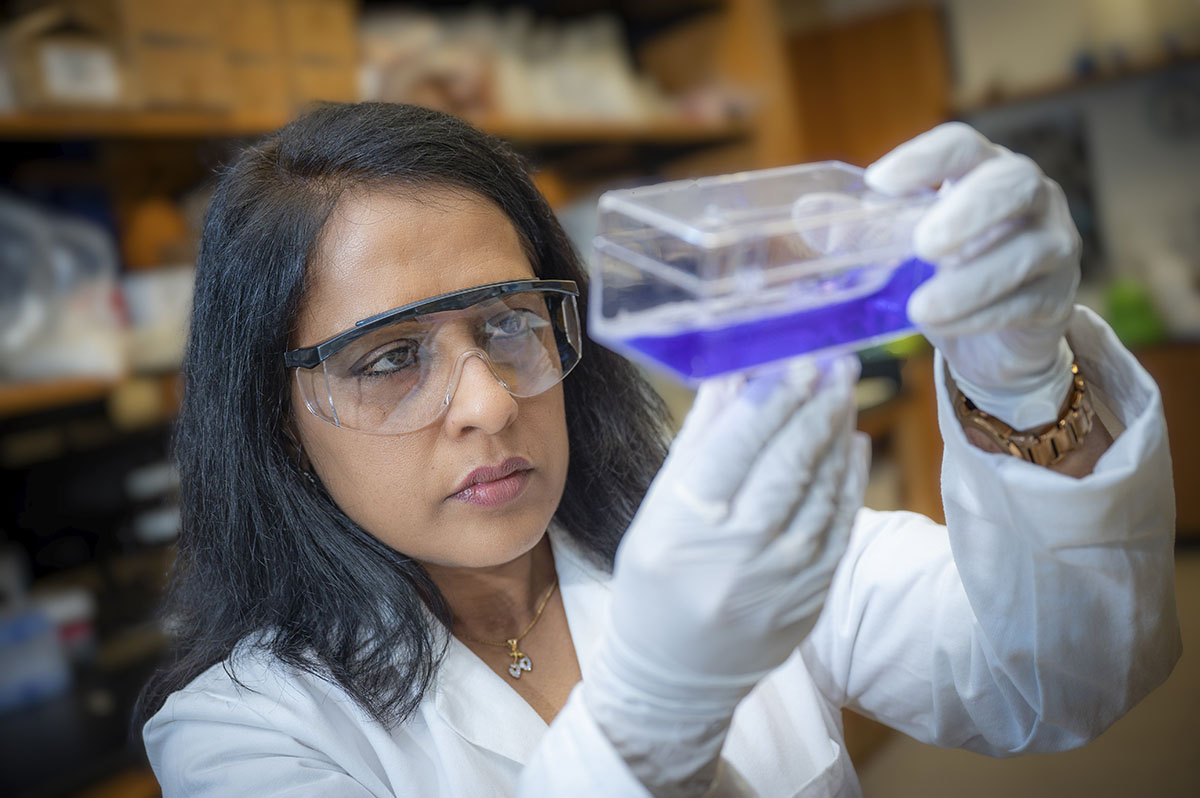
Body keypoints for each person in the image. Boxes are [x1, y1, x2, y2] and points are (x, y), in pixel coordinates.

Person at [136, 102, 1180, 797]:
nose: (489, 403)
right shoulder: (240, 735)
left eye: (507, 322)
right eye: (387, 358)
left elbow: (1063, 677)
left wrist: (1024, 377)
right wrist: (655, 706)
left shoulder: (716, 546)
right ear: (278, 413)